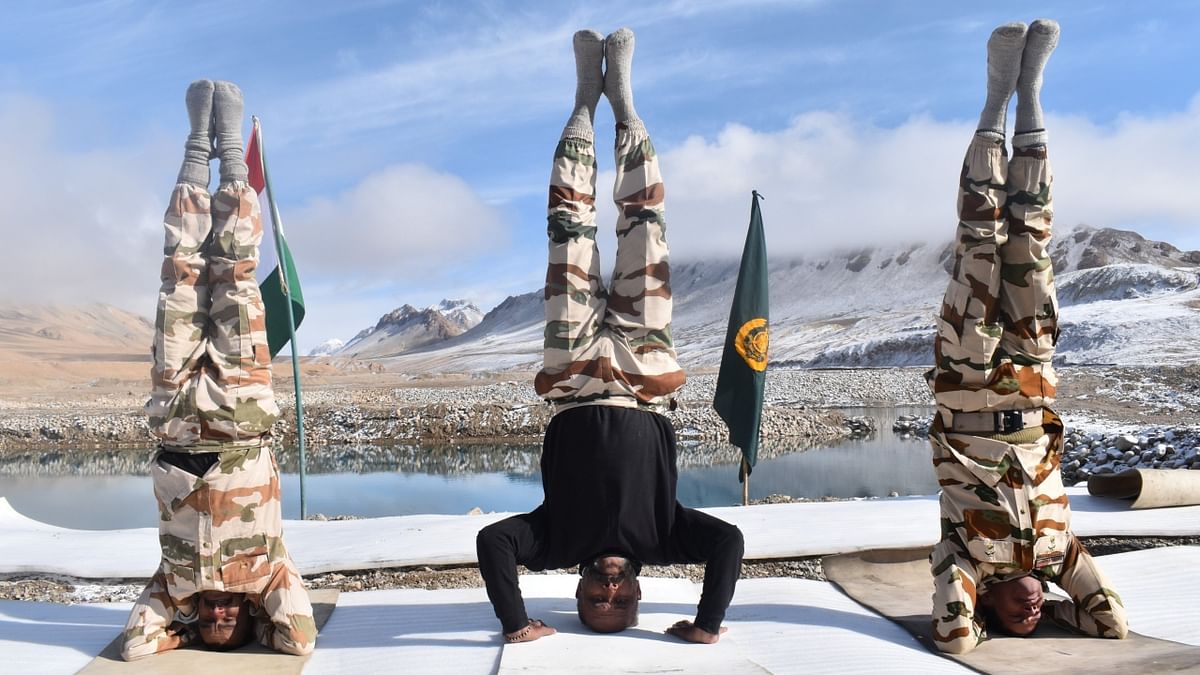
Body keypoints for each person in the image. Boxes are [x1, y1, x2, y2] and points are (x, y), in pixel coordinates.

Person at [475, 27, 744, 645]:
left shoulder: (552, 542)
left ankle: (581, 105)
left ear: (577, 589)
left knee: (568, 235)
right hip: (644, 376)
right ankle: (625, 108)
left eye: (596, 599)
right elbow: (729, 543)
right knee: (645, 230)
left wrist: (516, 623)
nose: (610, 590)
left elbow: (492, 543)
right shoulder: (668, 537)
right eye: (619, 601)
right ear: (640, 594)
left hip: (571, 375)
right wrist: (707, 625)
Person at [926, 20, 1127, 654]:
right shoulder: (1058, 553)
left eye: (1020, 619)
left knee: (980, 249)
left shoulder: (965, 560)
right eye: (1038, 618)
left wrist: (981, 619)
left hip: (967, 382)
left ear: (986, 601)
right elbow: (1110, 623)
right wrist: (1059, 594)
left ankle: (995, 100)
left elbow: (955, 638)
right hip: (1033, 384)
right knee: (1032, 247)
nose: (1034, 611)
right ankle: (1033, 94)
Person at [120, 80, 317, 660]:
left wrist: (179, 623)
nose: (219, 609)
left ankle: (193, 150)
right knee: (233, 275)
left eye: (211, 619)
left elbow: (135, 645)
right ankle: (231, 148)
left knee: (179, 276)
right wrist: (260, 617)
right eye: (228, 618)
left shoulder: (174, 585)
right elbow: (299, 641)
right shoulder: (267, 577)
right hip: (239, 415)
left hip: (175, 416)